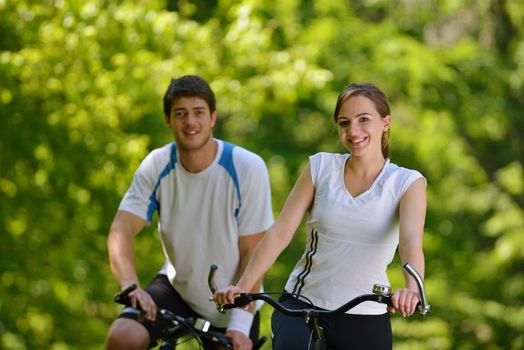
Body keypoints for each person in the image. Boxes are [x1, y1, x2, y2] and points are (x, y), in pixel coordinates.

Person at [213, 82, 427, 349]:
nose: (353, 131)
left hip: (366, 311)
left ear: (385, 123)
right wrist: (243, 285)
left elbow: (410, 242)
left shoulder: (407, 183)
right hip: (303, 305)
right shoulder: (321, 166)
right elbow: (280, 233)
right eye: (344, 123)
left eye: (364, 120)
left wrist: (412, 288)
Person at [105, 75, 274, 350]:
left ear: (213, 118)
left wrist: (239, 326)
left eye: (199, 113)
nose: (190, 122)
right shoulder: (157, 165)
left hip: (234, 294)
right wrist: (130, 285)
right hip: (176, 287)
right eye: (180, 114)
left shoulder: (247, 167)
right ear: (168, 120)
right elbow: (120, 230)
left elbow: (254, 255)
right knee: (122, 337)